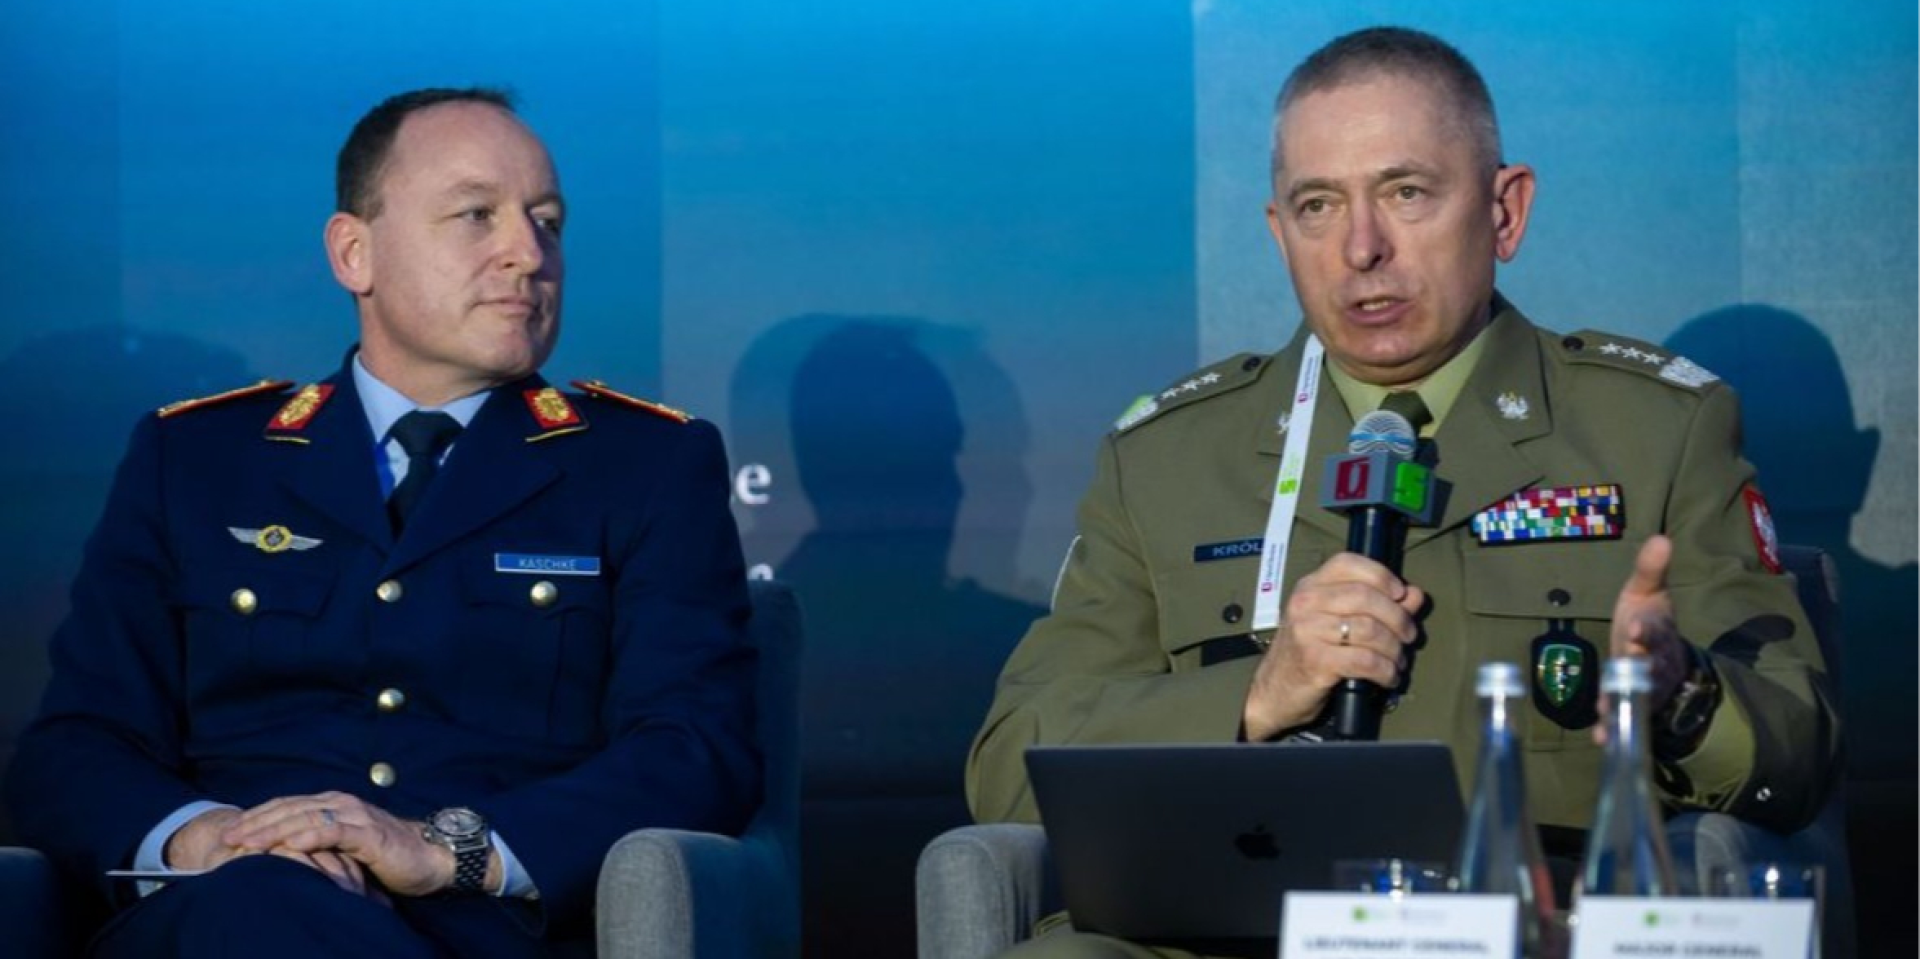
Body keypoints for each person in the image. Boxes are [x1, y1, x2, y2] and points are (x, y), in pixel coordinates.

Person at [966, 27, 1839, 957]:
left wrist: (1679, 691)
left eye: (1406, 193)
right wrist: (1255, 696)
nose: (1362, 248)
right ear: (1279, 233)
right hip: (1229, 928)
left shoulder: (1654, 432)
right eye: (1318, 206)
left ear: (1505, 211)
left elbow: (1800, 750)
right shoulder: (1167, 459)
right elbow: (1012, 761)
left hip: (1522, 920)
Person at [4, 88, 759, 957]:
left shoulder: (644, 464)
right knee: (254, 901)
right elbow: (76, 745)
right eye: (477, 215)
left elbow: (694, 750)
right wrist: (209, 839)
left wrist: (443, 850)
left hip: (476, 931)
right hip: (214, 915)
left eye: (547, 222)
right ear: (353, 253)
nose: (528, 253)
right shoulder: (196, 460)